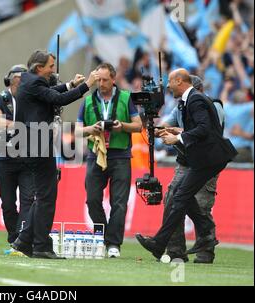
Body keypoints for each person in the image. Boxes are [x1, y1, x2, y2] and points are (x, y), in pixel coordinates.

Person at [136, 68, 237, 260]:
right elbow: (200, 127)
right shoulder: (188, 101)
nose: (167, 86)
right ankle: (203, 234)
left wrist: (178, 138)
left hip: (208, 158)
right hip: (202, 158)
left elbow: (204, 129)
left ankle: (165, 243)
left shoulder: (196, 99)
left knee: (181, 196)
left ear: (180, 82)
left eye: (170, 82)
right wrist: (174, 130)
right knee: (181, 195)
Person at [11, 49, 99, 259]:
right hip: (37, 144)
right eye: (51, 66)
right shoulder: (35, 83)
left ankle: (24, 241)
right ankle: (40, 245)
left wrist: (71, 85)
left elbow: (51, 94)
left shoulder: (29, 81)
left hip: (30, 143)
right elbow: (58, 99)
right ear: (39, 67)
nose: (53, 70)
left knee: (43, 196)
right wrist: (88, 84)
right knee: (46, 196)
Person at [76, 62, 142, 258]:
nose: (101, 83)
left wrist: (121, 126)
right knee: (92, 199)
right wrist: (91, 129)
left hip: (120, 154)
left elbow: (138, 126)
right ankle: (103, 236)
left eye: (105, 79)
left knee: (119, 202)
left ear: (114, 79)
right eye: (98, 79)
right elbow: (78, 130)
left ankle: (114, 244)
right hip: (95, 154)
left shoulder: (126, 97)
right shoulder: (87, 101)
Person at [157, 75, 225, 264]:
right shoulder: (180, 105)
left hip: (206, 161)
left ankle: (206, 249)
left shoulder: (213, 105)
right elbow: (168, 122)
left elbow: (209, 132)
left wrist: (178, 133)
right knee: (172, 199)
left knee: (201, 203)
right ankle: (176, 250)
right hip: (186, 160)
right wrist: (158, 128)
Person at [0, 64, 31, 251]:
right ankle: (14, 237)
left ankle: (22, 239)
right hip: (6, 158)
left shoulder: (31, 99)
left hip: (28, 156)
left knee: (28, 200)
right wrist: (21, 125)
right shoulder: (0, 99)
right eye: (17, 81)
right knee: (7, 203)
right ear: (10, 82)